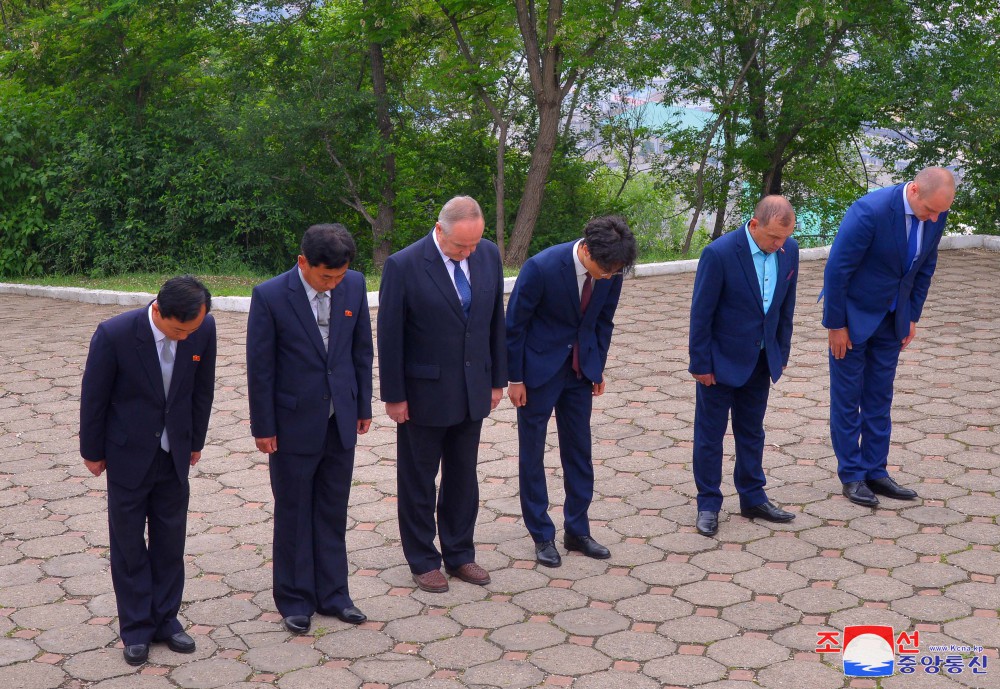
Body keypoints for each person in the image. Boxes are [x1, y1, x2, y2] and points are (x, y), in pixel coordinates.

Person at [79, 276, 216, 666]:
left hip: (175, 451)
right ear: (158, 310)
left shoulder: (202, 327)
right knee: (128, 543)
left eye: (192, 330)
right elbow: (95, 396)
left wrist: (195, 441)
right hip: (127, 454)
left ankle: (166, 620)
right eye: (178, 331)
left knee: (170, 539)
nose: (186, 337)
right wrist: (92, 450)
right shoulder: (115, 334)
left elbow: (202, 388)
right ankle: (136, 627)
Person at [247, 224, 374, 634]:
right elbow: (260, 367)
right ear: (302, 262)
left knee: (333, 510)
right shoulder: (269, 296)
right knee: (294, 511)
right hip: (291, 424)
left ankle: (335, 594)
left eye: (339, 276)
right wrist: (263, 426)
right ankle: (295, 598)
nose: (333, 284)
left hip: (341, 420)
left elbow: (361, 350)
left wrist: (362, 405)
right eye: (325, 277)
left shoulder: (353, 285)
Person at [377, 196, 507, 593]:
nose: (469, 252)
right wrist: (394, 396)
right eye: (460, 247)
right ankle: (422, 559)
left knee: (463, 476)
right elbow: (390, 335)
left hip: (473, 389)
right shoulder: (404, 265)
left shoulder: (487, 255)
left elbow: (494, 322)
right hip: (423, 393)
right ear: (439, 230)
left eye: (473, 245)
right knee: (418, 478)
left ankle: (460, 553)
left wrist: (497, 379)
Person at [506, 216, 637, 567]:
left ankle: (577, 530)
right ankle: (542, 535)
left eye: (616, 271)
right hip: (536, 373)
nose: (609, 276)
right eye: (605, 269)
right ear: (588, 250)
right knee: (532, 455)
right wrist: (514, 379)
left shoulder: (613, 271)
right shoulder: (542, 267)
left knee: (580, 452)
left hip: (580, 373)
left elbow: (603, 321)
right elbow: (514, 325)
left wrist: (597, 366)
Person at [823, 167, 955, 507]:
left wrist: (911, 314)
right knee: (848, 398)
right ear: (913, 191)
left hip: (893, 319)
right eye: (930, 210)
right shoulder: (870, 210)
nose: (935, 217)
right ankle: (852, 475)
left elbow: (926, 264)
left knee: (880, 397)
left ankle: (876, 470)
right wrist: (835, 325)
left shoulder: (936, 213)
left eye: (941, 212)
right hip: (853, 320)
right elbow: (837, 269)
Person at [688, 195, 799, 537]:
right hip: (719, 362)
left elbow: (785, 307)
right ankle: (708, 503)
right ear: (754, 225)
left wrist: (781, 351)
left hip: (761, 360)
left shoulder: (789, 251)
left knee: (752, 431)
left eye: (785, 237)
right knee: (710, 435)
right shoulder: (719, 254)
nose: (779, 244)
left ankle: (752, 497)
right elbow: (701, 313)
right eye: (773, 238)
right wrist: (700, 362)